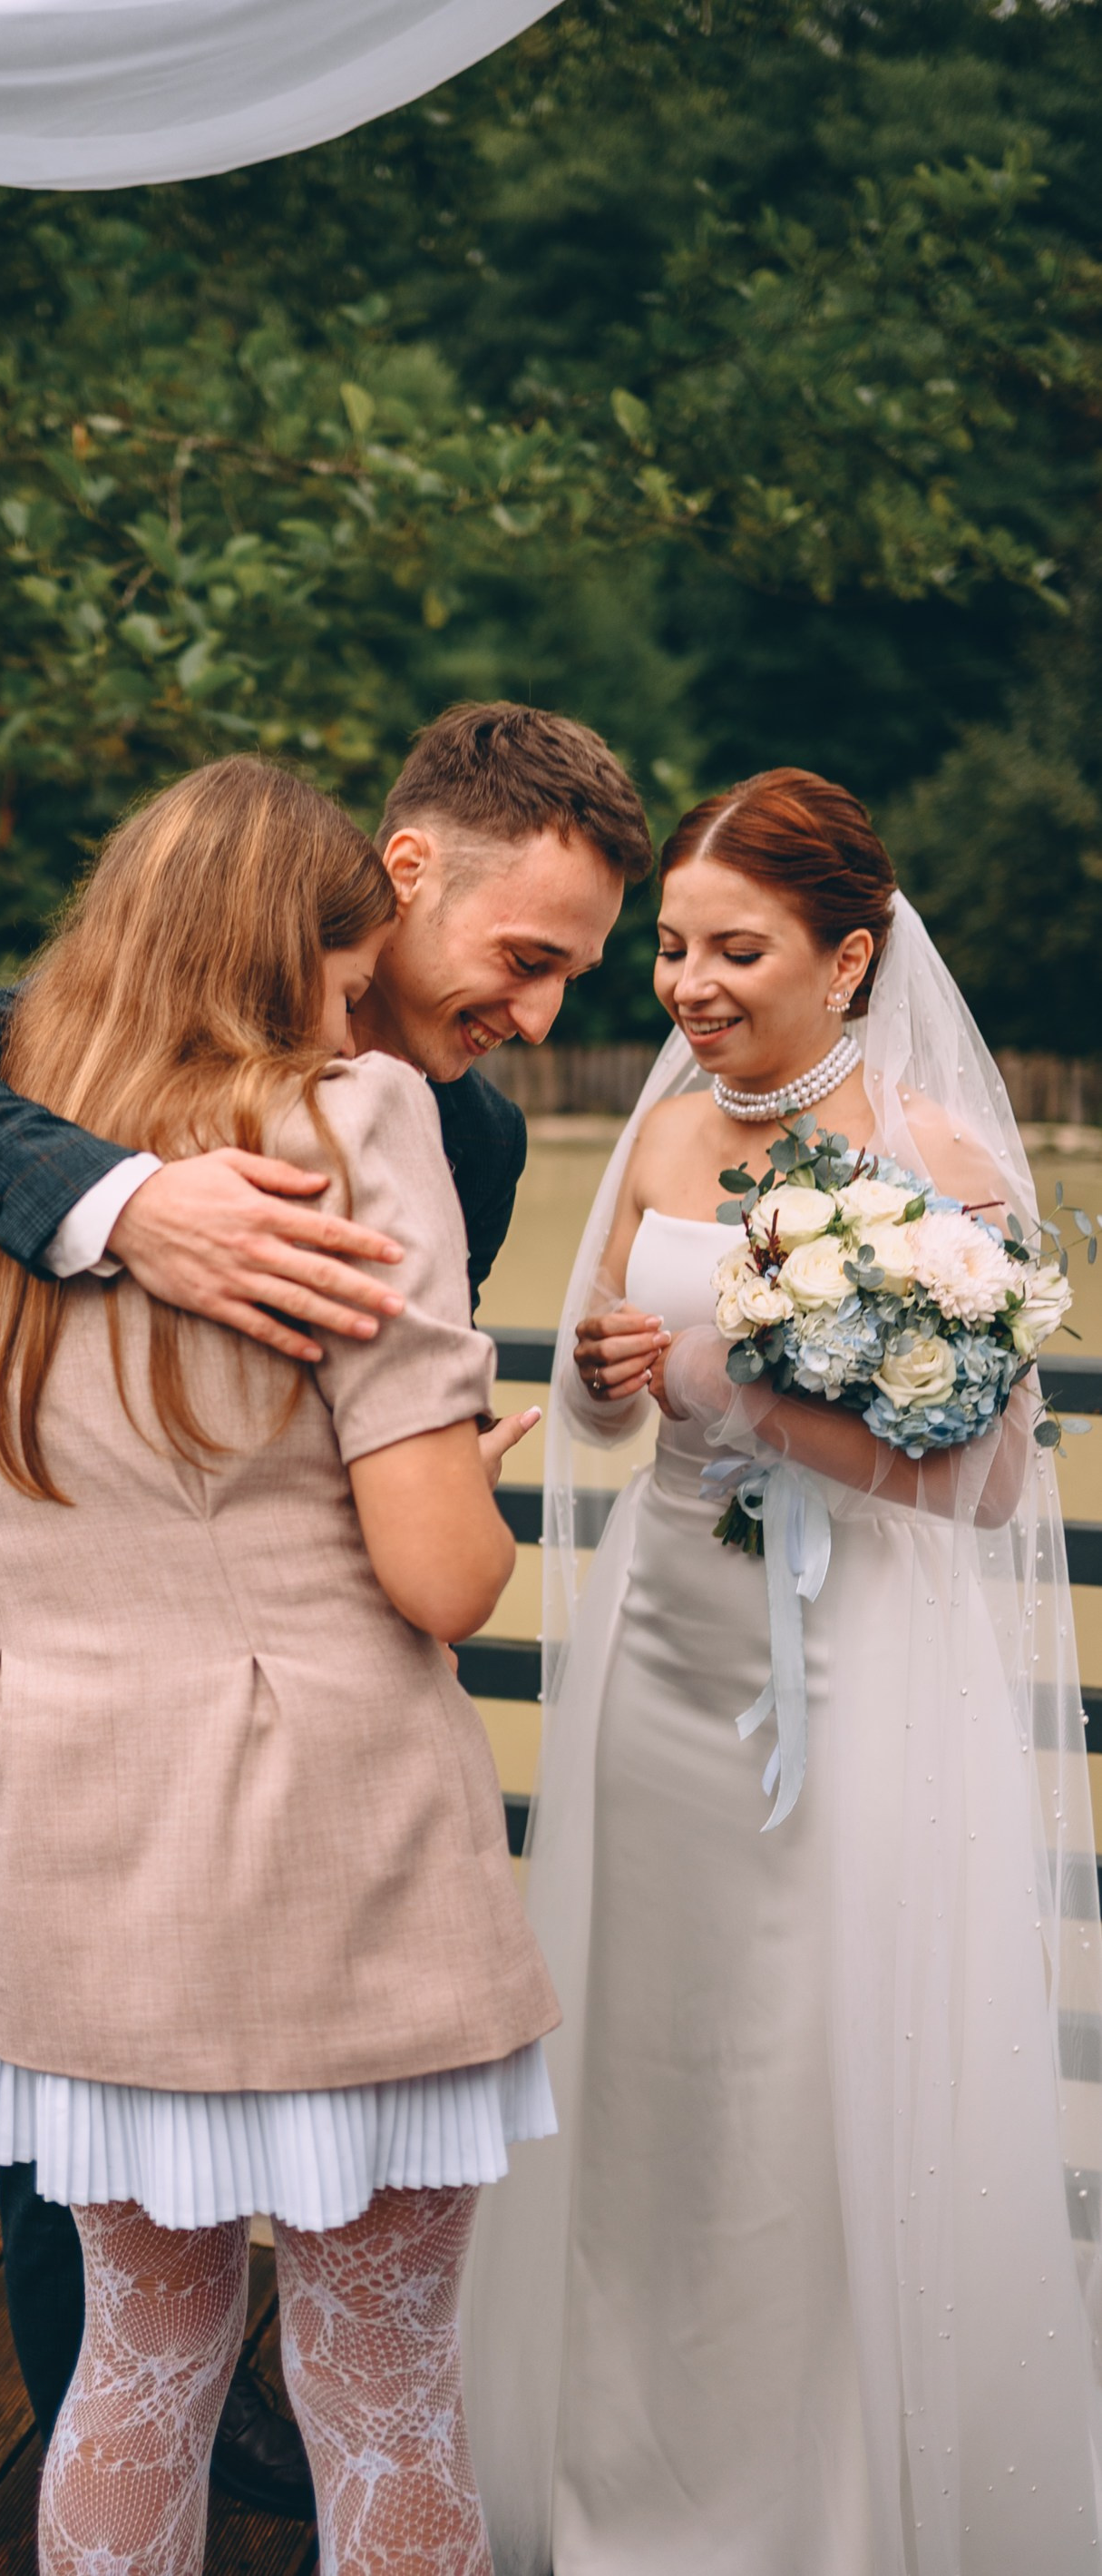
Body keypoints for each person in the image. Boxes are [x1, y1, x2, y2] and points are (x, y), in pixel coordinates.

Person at [0, 699, 656, 2504]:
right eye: (522, 958)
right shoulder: (88, 1086)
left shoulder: (464, 1134)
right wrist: (118, 1202)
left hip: (95, 1696)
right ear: (396, 877)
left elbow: (317, 1420)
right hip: (214, 1726)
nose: (535, 1013)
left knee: (140, 2312)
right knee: (355, 2356)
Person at [460, 770, 1102, 2573]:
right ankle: (621, 2484)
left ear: (849, 950)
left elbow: (979, 1483)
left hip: (854, 1670)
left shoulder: (943, 1167)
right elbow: (603, 1403)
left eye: (731, 947)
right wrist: (600, 1373)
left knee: (809, 2072)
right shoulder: (662, 1135)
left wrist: (750, 1397)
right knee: (655, 2066)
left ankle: (807, 2504)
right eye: (667, 945)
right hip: (666, 1647)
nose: (683, 982)